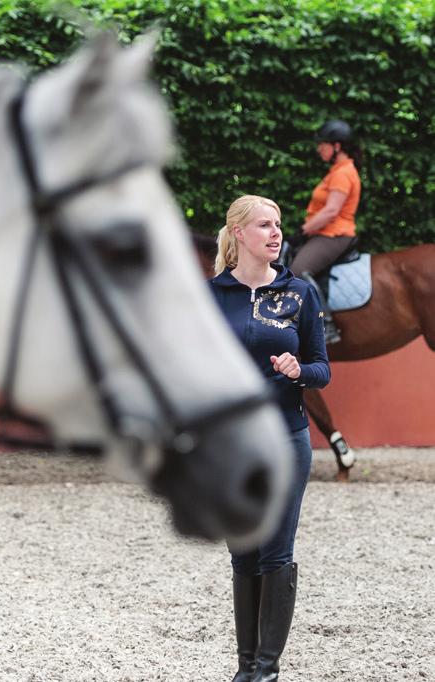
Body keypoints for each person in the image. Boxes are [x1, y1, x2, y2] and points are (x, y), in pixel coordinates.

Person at [209, 195, 330, 682]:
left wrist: (300, 369)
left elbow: (322, 370)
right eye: (264, 225)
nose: (276, 233)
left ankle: (266, 671)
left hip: (286, 437)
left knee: (275, 551)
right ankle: (245, 669)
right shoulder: (209, 296)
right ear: (239, 234)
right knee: (244, 553)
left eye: (278, 225)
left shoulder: (300, 293)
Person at [290, 119, 363, 344]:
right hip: (324, 232)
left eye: (323, 144)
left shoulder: (343, 173)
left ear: (337, 146)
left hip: (335, 234)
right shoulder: (337, 171)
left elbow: (331, 210)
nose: (319, 149)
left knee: (298, 270)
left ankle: (325, 325)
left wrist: (304, 231)